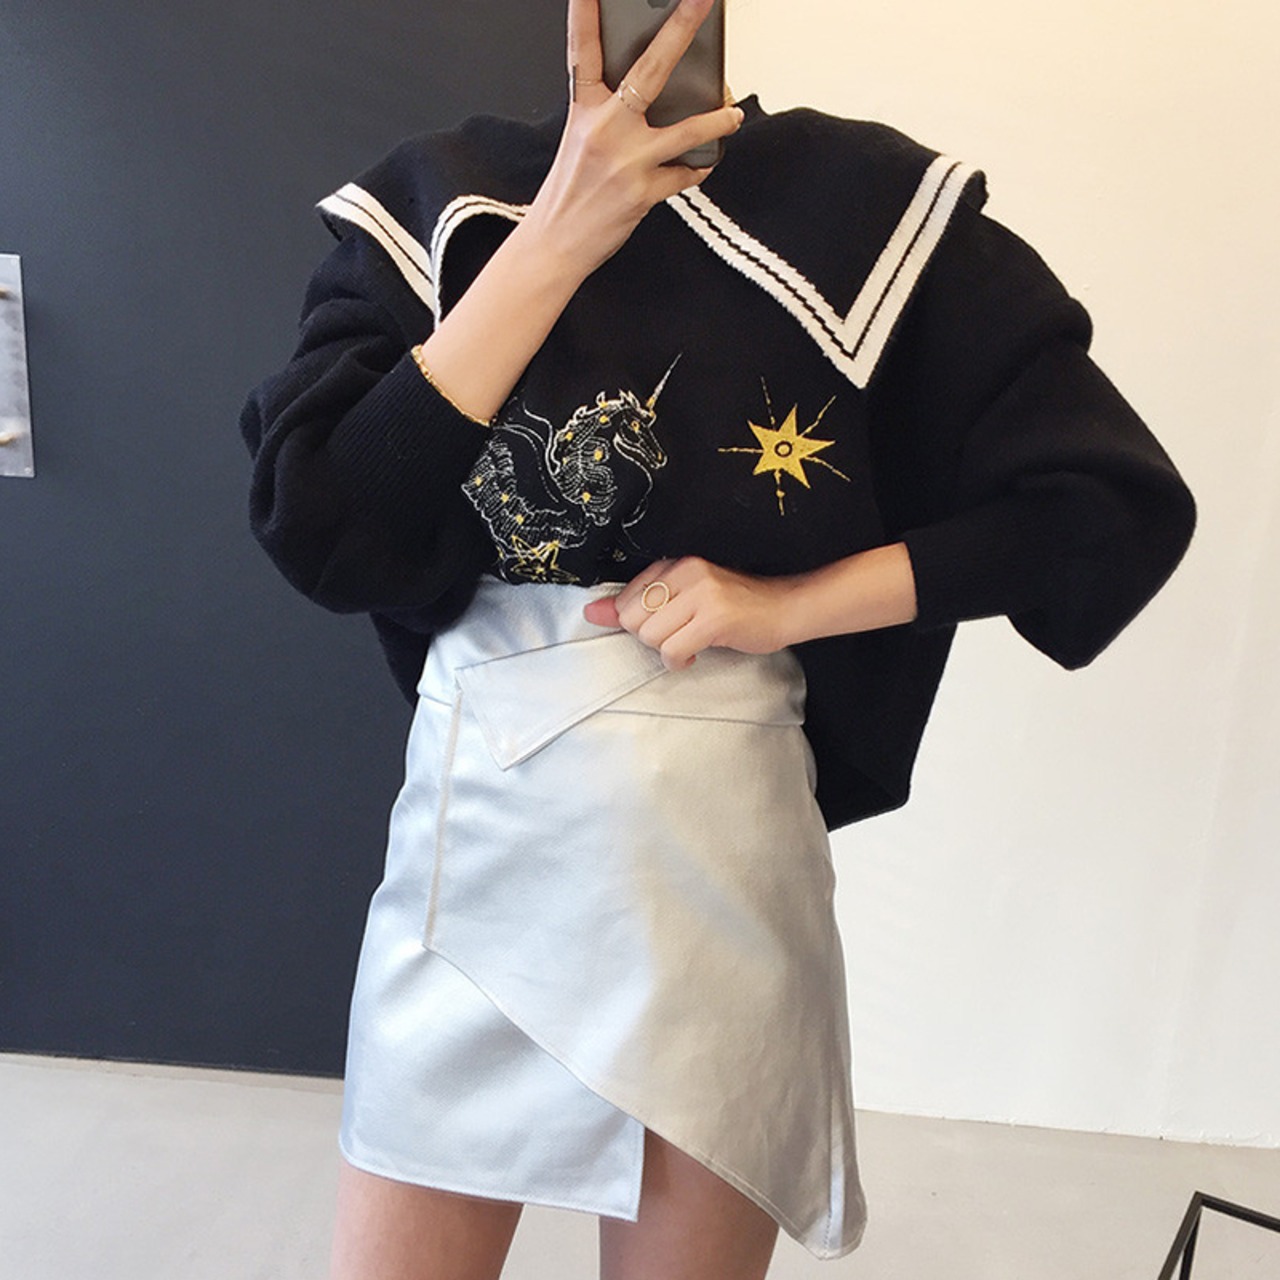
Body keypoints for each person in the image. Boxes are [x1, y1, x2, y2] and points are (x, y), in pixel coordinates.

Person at [238, 1, 1197, 1277]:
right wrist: (552, 241)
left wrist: (787, 604)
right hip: (472, 852)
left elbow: (1101, 511)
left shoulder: (868, 211)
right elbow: (325, 527)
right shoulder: (434, 206)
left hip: (718, 856)